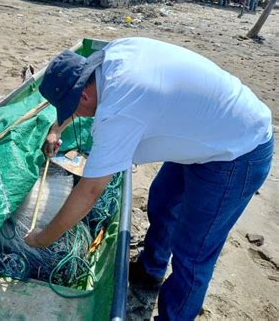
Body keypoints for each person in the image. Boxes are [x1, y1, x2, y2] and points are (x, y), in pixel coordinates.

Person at [24, 37, 273, 320]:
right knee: (163, 202)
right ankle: (150, 271)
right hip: (209, 131)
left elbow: (90, 191)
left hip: (238, 152)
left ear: (83, 95)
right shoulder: (110, 57)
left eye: (71, 111)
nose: (76, 116)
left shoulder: (119, 111)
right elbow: (79, 96)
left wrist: (44, 238)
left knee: (193, 253)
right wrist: (57, 128)